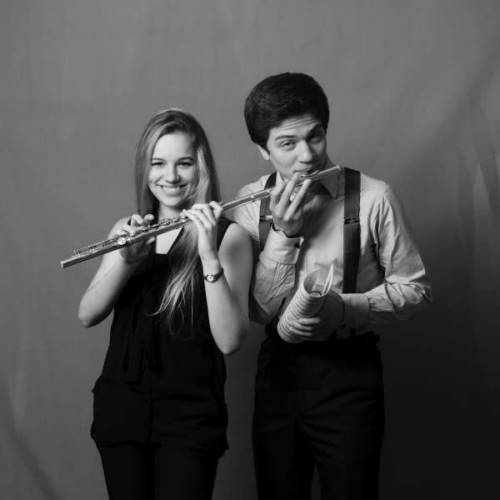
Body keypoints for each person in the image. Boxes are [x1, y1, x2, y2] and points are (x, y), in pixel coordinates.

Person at [232, 73, 432, 500]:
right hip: (278, 375)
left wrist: (346, 309)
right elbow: (260, 311)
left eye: (315, 136)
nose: (307, 155)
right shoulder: (250, 204)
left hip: (349, 372)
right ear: (263, 150)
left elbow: (415, 289)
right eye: (287, 143)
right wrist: (283, 236)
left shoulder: (374, 197)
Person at [78, 108, 252, 500]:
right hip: (122, 410)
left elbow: (229, 341)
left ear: (201, 167)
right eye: (158, 163)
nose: (170, 176)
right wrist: (126, 259)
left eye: (184, 163)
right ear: (145, 168)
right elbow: (87, 314)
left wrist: (208, 255)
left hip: (191, 416)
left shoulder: (230, 238)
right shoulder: (127, 231)